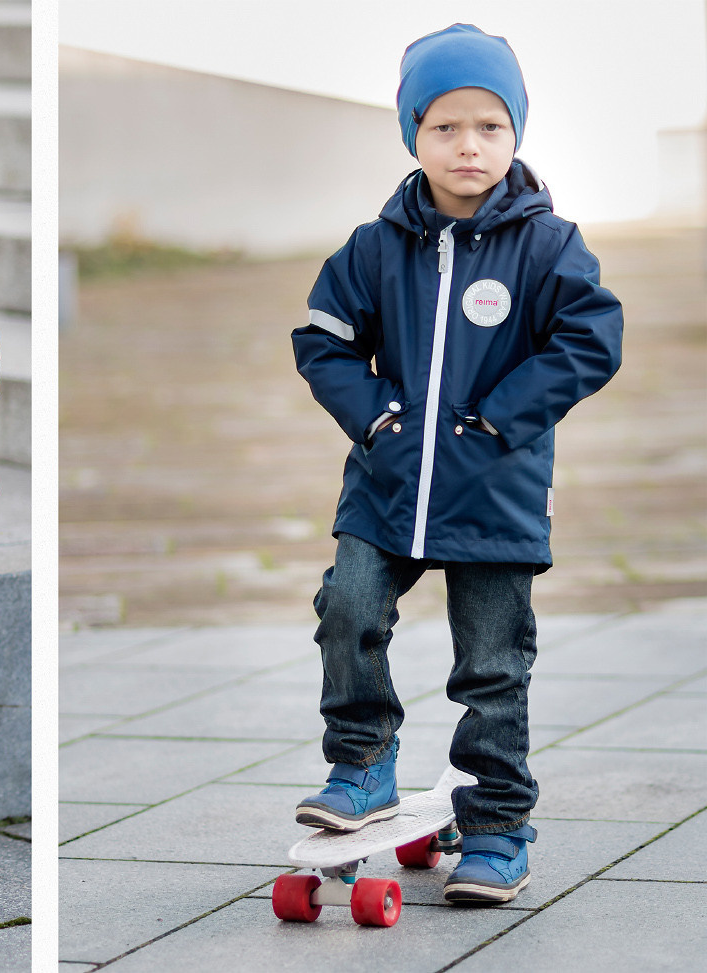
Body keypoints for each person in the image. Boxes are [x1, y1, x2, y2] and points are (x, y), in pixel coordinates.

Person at [290, 24, 623, 904]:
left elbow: (592, 339)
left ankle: (497, 825)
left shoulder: (548, 245)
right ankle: (362, 763)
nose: (468, 145)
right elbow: (320, 339)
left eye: (489, 126)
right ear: (412, 134)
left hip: (494, 491)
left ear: (516, 134)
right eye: (444, 127)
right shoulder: (376, 244)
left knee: (491, 665)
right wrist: (376, 422)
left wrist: (498, 419)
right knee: (346, 609)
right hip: (388, 485)